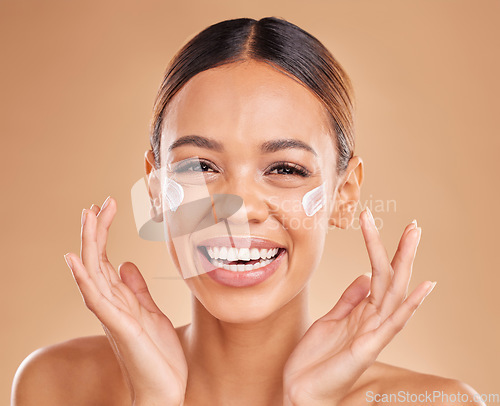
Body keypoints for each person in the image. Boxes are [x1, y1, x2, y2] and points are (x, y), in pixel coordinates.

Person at [12, 16, 483, 406]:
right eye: (200, 166)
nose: (237, 209)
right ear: (156, 190)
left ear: (343, 194)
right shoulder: (57, 386)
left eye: (283, 167)